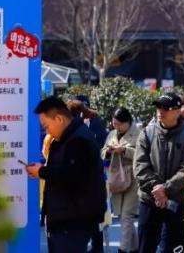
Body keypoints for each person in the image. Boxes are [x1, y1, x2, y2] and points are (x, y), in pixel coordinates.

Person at [27, 96, 106, 253]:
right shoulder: (67, 138)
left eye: (46, 126)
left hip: (72, 221)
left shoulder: (78, 140)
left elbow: (70, 177)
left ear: (59, 119)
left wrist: (41, 171)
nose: (46, 131)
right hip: (65, 219)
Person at [134, 92, 184, 253]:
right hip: (149, 200)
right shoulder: (147, 133)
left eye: (165, 108)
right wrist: (156, 188)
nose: (160, 111)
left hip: (176, 202)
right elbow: (140, 166)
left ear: (177, 111)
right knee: (145, 247)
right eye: (158, 107)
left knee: (174, 248)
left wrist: (166, 188)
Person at [67, 98, 108, 252]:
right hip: (89, 188)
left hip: (87, 188)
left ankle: (96, 248)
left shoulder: (83, 131)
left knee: (89, 226)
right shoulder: (78, 130)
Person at [102, 108, 140, 253]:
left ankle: (122, 250)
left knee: (126, 216)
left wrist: (124, 150)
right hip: (117, 179)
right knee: (123, 216)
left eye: (119, 124)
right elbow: (102, 151)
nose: (116, 127)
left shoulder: (138, 133)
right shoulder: (112, 134)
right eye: (114, 124)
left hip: (133, 179)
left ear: (127, 122)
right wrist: (108, 151)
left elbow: (142, 153)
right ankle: (135, 248)